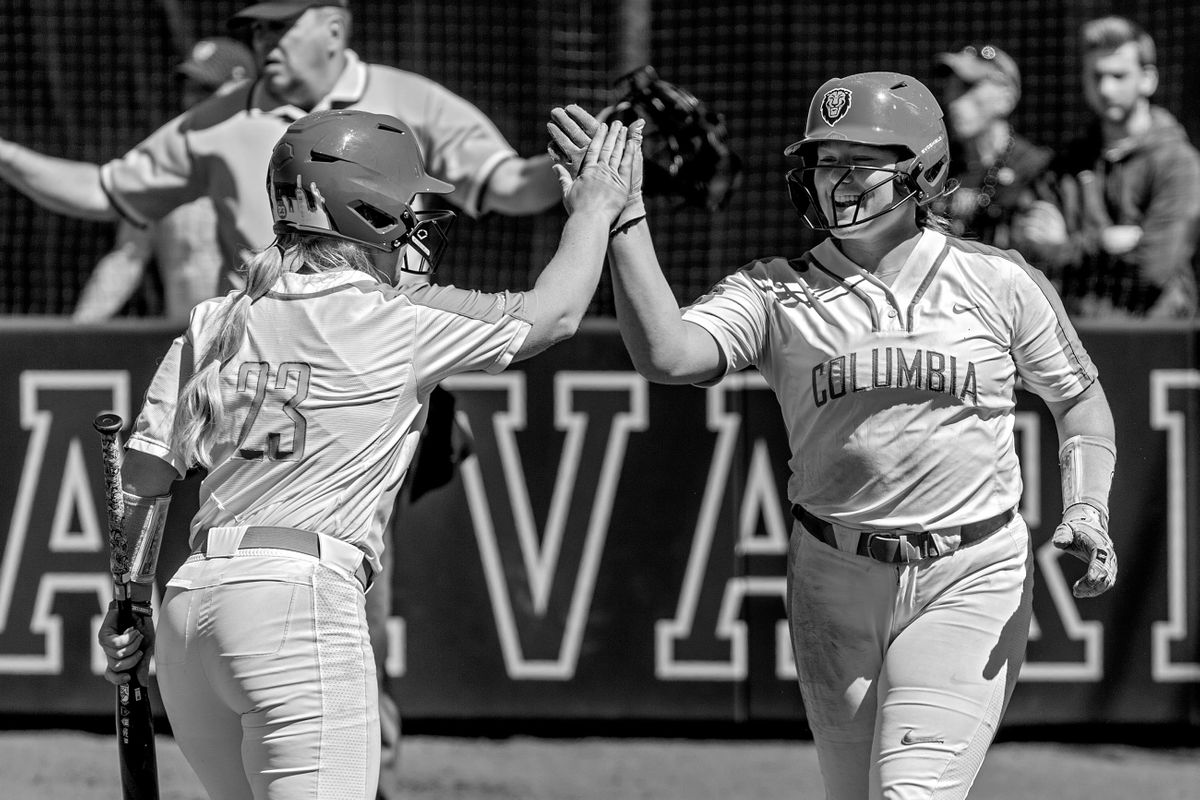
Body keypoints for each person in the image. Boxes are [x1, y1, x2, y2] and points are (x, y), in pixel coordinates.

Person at [550, 72, 1118, 799]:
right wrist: (625, 221)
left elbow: (1081, 400)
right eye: (824, 161)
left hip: (970, 573)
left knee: (908, 793)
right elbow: (666, 356)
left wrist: (1086, 507)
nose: (834, 180)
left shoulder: (999, 281)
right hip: (832, 578)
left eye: (860, 161)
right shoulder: (774, 289)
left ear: (924, 172)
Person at [96, 108, 639, 800]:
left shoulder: (216, 318)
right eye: (407, 206)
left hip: (189, 608)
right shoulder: (395, 320)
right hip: (297, 607)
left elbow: (143, 478)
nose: (417, 224)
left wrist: (131, 608)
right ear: (364, 209)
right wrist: (595, 208)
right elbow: (555, 314)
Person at [1014, 15, 1200, 318]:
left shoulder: (1179, 162)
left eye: (1119, 76)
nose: (1106, 88)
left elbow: (1154, 268)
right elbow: (1027, 247)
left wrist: (1067, 245)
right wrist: (1106, 241)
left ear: (1148, 79)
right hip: (1075, 339)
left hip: (1155, 338)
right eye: (1096, 76)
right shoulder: (1067, 163)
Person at [73, 37, 257, 323]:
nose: (192, 98)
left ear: (242, 89)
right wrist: (78, 334)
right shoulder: (166, 168)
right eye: (189, 88)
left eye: (206, 89)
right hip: (183, 343)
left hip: (253, 345)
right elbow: (127, 257)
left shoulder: (268, 162)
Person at [932, 43, 1052, 249]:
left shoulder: (1038, 169)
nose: (952, 100)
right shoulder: (938, 166)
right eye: (950, 86)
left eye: (968, 86)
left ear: (1006, 98)